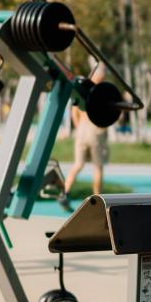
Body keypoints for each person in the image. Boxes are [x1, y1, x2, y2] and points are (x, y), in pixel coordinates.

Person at [61, 63, 109, 209]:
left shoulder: (83, 91)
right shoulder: (104, 93)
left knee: (78, 164)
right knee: (98, 167)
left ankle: (65, 193)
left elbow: (74, 111)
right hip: (96, 132)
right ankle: (97, 198)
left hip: (82, 131)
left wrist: (79, 126)